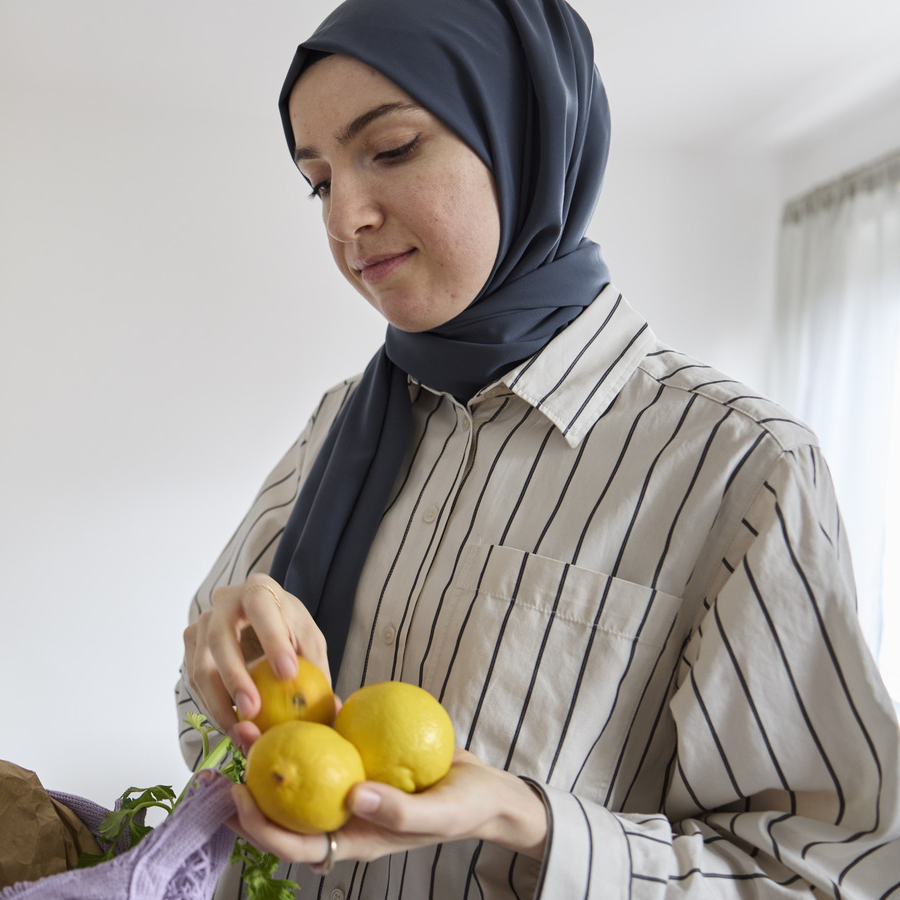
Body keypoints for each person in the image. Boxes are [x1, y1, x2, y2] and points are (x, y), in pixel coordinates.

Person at [174, 0, 900, 896]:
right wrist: (226, 670)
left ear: (528, 141)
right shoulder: (339, 424)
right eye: (319, 180)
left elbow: (835, 877)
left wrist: (527, 821)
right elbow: (211, 735)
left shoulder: (740, 467)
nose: (345, 218)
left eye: (393, 148)